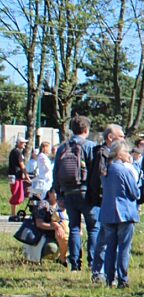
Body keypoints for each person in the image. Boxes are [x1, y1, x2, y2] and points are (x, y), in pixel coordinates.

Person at [53, 116, 99, 273]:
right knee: (93, 228)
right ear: (86, 130)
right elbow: (96, 171)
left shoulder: (62, 147)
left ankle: (75, 265)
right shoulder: (91, 146)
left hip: (68, 192)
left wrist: (59, 195)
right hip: (86, 193)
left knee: (73, 227)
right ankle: (93, 263)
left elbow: (55, 172)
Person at [99, 140, 140, 288]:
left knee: (110, 247)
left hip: (108, 212)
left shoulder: (105, 170)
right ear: (119, 153)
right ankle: (123, 279)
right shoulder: (124, 170)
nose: (129, 155)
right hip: (125, 212)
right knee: (124, 247)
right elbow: (135, 193)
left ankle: (109, 279)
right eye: (127, 152)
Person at [87, 124, 125, 282]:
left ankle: (104, 272)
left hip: (107, 202)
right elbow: (101, 178)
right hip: (104, 203)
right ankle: (98, 272)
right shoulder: (103, 154)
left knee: (107, 239)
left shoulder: (103, 153)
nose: (123, 139)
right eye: (121, 136)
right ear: (111, 137)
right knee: (104, 239)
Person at [33, 188, 69, 266]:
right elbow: (39, 224)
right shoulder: (43, 204)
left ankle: (63, 259)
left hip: (62, 236)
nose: (58, 195)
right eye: (56, 193)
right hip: (44, 235)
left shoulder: (62, 205)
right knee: (51, 248)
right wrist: (57, 227)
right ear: (49, 193)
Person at [8, 136, 29, 217]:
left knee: (14, 192)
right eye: (23, 143)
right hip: (16, 176)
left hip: (11, 175)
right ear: (19, 143)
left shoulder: (13, 151)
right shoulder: (17, 152)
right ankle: (13, 214)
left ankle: (13, 213)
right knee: (16, 193)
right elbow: (22, 165)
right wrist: (27, 175)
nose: (25, 144)